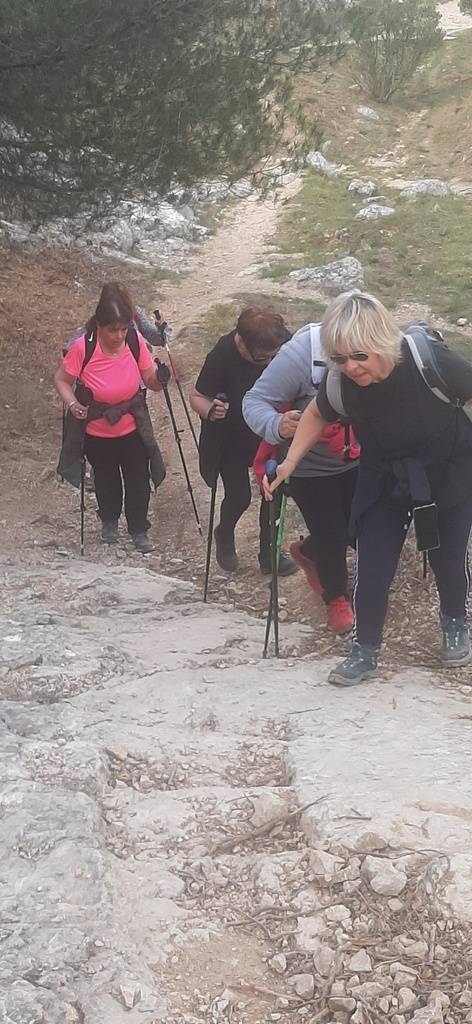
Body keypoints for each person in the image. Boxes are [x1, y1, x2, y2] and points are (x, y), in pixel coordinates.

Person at [265, 291, 472, 685]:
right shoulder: (342, 382)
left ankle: (455, 623)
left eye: (359, 355)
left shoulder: (431, 361)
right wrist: (290, 461)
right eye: (339, 358)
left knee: (448, 557)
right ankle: (365, 648)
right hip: (385, 477)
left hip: (449, 470)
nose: (351, 366)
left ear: (380, 341)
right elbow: (316, 412)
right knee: (374, 564)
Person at [243, 322, 359, 634]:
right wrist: (277, 425)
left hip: (359, 459)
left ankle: (309, 552)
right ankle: (336, 599)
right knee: (333, 533)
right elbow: (253, 402)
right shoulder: (300, 356)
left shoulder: (380, 347)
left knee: (361, 528)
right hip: (308, 469)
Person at [55, 282, 169, 554]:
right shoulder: (83, 347)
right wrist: (72, 404)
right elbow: (61, 380)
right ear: (98, 326)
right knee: (106, 479)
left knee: (138, 478)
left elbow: (149, 380)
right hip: (96, 428)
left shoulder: (134, 340)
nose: (118, 335)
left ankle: (139, 530)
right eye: (112, 330)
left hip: (132, 424)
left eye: (123, 329)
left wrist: (160, 379)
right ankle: (109, 522)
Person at [190, 307, 296, 575]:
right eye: (263, 357)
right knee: (239, 497)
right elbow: (198, 397)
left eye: (274, 355)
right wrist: (211, 409)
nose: (270, 360)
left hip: (269, 432)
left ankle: (269, 555)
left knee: (273, 491)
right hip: (230, 436)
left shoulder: (284, 344)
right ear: (243, 343)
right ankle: (224, 533)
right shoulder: (222, 354)